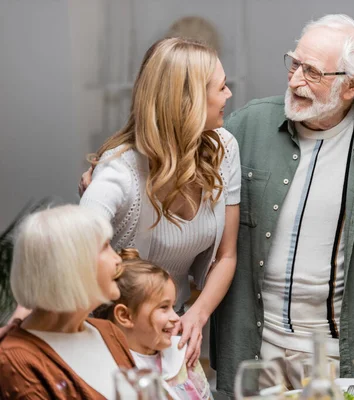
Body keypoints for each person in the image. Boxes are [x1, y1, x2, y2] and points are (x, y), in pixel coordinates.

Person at [211, 14, 354, 394]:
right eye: (295, 63)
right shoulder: (247, 125)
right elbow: (185, 188)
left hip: (343, 356)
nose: (295, 80)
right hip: (256, 349)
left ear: (352, 84)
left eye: (313, 73)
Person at [80, 36, 241, 368]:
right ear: (190, 101)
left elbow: (227, 255)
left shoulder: (224, 149)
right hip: (114, 343)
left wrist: (198, 315)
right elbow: (71, 251)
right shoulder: (119, 171)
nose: (229, 95)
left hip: (173, 331)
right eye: (221, 88)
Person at [0, 205, 135, 399]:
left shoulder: (110, 332)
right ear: (70, 264)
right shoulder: (15, 360)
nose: (117, 259)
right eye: (105, 246)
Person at [95, 248, 213, 400]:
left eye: (173, 306)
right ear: (125, 316)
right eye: (164, 307)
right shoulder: (107, 368)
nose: (176, 318)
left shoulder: (182, 355)